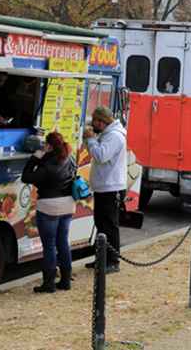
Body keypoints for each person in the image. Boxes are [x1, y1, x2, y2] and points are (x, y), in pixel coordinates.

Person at [21, 132, 75, 293]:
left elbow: (26, 176)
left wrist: (36, 156)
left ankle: (49, 283)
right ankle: (65, 280)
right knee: (63, 242)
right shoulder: (69, 158)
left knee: (49, 245)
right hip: (68, 205)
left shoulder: (46, 166)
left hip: (49, 206)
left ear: (49, 146)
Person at [83, 106, 127, 273]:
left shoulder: (114, 136)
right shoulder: (108, 134)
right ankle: (102, 259)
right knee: (101, 224)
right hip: (105, 187)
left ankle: (112, 261)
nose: (93, 125)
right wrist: (91, 140)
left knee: (109, 225)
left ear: (101, 122)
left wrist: (91, 140)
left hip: (111, 188)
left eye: (94, 122)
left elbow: (101, 156)